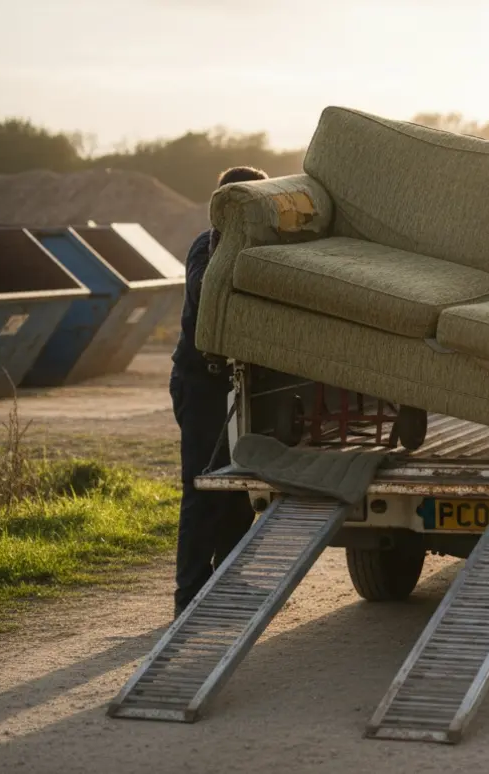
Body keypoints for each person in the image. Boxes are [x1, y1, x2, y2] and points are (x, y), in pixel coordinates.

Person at [169, 165, 269, 618]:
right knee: (203, 489)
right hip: (201, 383)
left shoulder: (256, 248)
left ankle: (229, 582)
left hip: (239, 388)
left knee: (237, 493)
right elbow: (205, 292)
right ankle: (189, 597)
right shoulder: (204, 248)